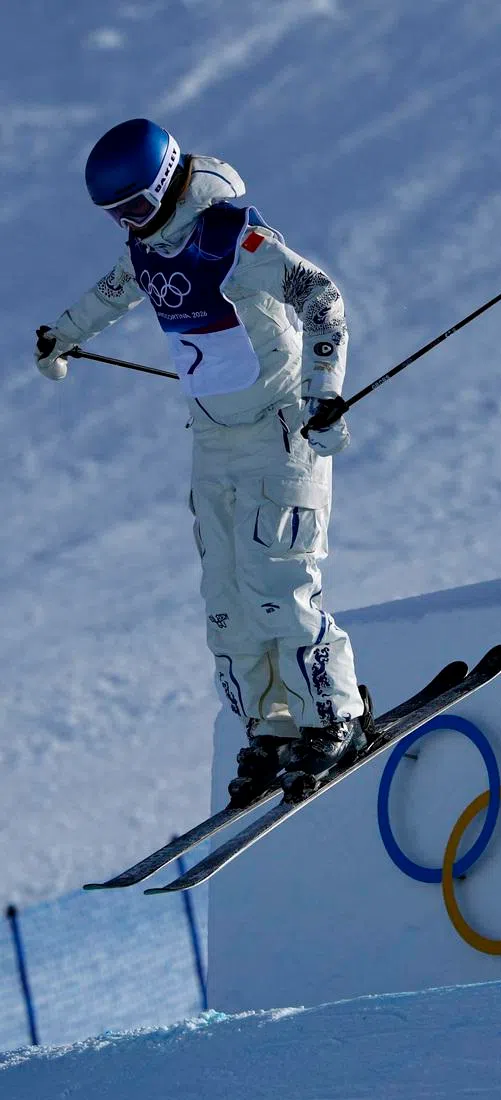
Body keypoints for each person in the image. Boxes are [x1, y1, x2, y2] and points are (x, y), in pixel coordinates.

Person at [35, 118, 370, 805]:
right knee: (226, 600)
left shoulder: (232, 237)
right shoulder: (146, 250)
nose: (128, 222)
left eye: (133, 206)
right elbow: (109, 295)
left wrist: (323, 394)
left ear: (163, 182)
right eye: (114, 215)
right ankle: (271, 730)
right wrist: (60, 337)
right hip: (213, 440)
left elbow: (320, 296)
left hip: (280, 432)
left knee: (279, 585)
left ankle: (334, 715)